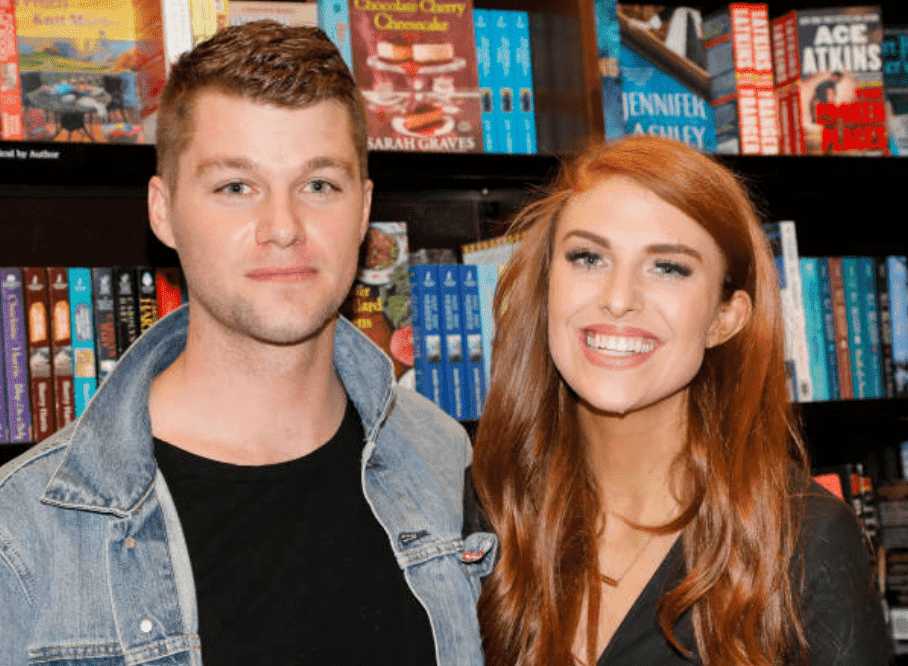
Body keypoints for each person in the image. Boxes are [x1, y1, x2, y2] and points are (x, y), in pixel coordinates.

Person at [0, 21, 494, 666]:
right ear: (163, 210)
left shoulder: (437, 458)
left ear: (364, 207)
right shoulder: (24, 535)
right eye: (236, 187)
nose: (283, 228)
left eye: (319, 185)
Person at [471, 135, 891, 666]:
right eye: (588, 257)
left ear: (725, 318)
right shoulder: (477, 514)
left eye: (668, 267)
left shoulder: (805, 541)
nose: (619, 299)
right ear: (545, 287)